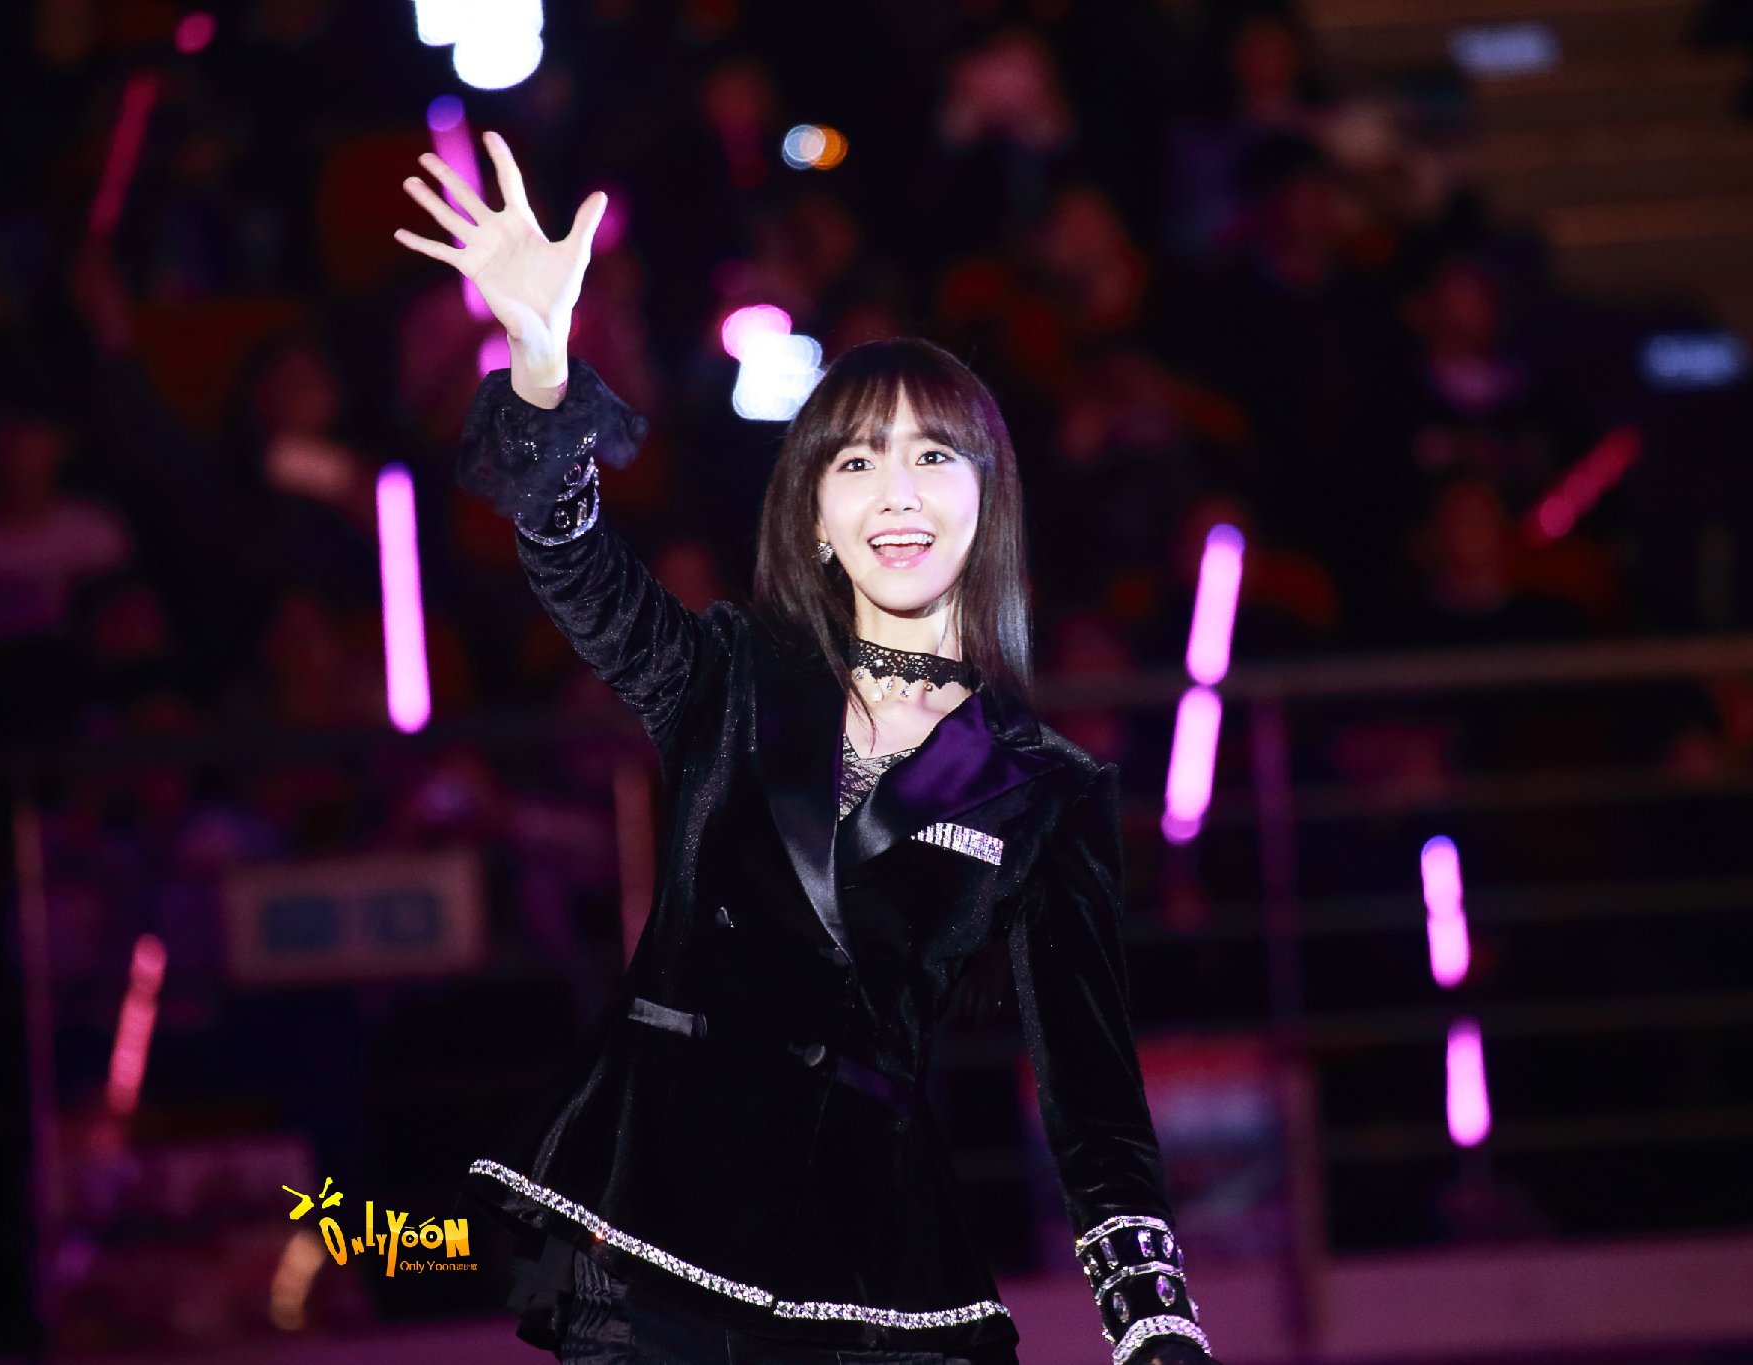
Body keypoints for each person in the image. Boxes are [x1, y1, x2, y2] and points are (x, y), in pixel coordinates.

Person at [396, 131, 1216, 1365]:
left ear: (985, 501)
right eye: (857, 457)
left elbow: (1092, 1092)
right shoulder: (726, 677)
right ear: (817, 517)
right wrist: (545, 362)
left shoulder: (1044, 789)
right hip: (654, 1222)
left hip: (871, 1259)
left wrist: (1151, 1322)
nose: (898, 489)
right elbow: (569, 561)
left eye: (932, 454)